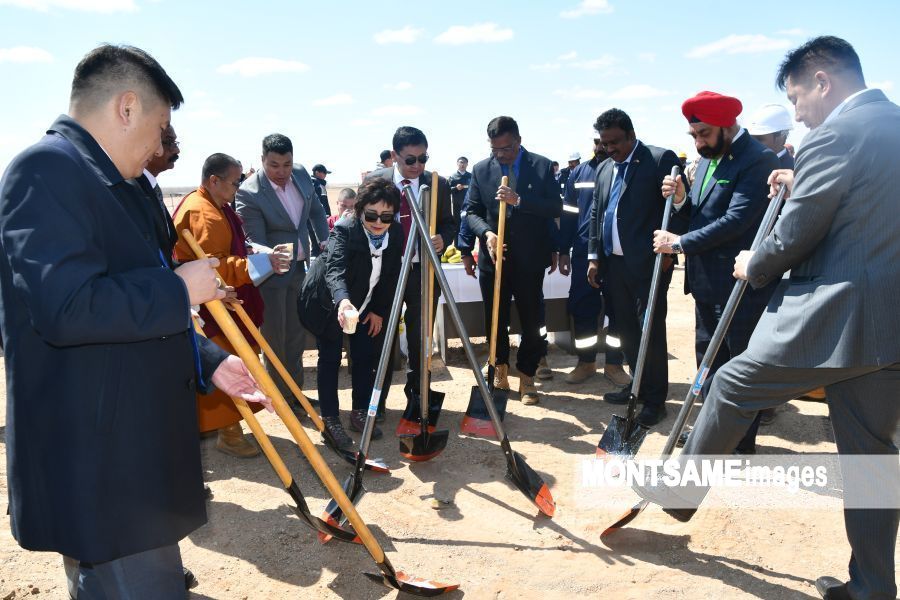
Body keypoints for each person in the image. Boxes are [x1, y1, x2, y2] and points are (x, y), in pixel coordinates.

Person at [0, 43, 269, 598]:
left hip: (129, 451)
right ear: (127, 107)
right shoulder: (46, 171)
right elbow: (66, 307)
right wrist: (177, 287)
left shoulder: (112, 183)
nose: (159, 143)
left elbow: (130, 297)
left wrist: (209, 359)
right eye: (160, 124)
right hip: (102, 461)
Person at [639, 36, 900, 600]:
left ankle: (681, 493)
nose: (798, 110)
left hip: (835, 314)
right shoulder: (894, 125)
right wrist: (798, 179)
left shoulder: (834, 133)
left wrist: (754, 261)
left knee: (732, 383)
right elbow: (866, 204)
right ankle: (873, 587)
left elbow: (800, 232)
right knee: (871, 459)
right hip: (890, 324)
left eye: (796, 95)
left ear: (823, 80)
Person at [655, 91, 779, 451]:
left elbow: (737, 221)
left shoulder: (757, 160)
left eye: (704, 134)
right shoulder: (710, 159)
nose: (698, 142)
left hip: (740, 287)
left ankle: (741, 445)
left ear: (727, 126)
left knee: (740, 368)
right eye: (693, 136)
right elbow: (698, 213)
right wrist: (680, 197)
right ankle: (712, 437)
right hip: (707, 284)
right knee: (708, 364)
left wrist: (679, 244)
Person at [173, 153, 291, 458]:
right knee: (225, 365)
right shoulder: (203, 212)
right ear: (214, 181)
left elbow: (233, 246)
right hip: (213, 307)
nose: (237, 188)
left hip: (226, 300)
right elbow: (215, 266)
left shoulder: (215, 205)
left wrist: (256, 253)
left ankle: (230, 428)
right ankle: (229, 432)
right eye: (235, 182)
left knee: (237, 361)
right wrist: (261, 263)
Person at [586, 108, 680, 427]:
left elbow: (676, 209)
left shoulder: (658, 159)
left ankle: (655, 400)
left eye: (614, 142)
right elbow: (597, 215)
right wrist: (594, 257)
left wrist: (670, 252)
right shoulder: (603, 169)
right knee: (625, 329)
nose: (608, 148)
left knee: (650, 331)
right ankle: (637, 386)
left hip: (650, 264)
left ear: (631, 135)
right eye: (603, 143)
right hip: (614, 265)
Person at [298, 179, 403, 448]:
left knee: (364, 356)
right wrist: (343, 303)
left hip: (366, 304)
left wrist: (378, 309)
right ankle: (331, 420)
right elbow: (335, 270)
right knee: (330, 357)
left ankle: (359, 411)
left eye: (386, 216)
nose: (378, 221)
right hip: (330, 303)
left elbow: (390, 275)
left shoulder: (397, 233)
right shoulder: (345, 230)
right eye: (371, 215)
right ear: (359, 211)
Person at [466, 116, 561, 405]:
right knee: (495, 319)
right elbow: (471, 211)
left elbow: (555, 207)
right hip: (493, 261)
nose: (501, 155)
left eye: (506, 148)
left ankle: (527, 375)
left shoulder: (542, 166)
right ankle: (499, 369)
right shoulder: (481, 170)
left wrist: (520, 201)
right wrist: (487, 233)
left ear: (518, 141)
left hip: (529, 259)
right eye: (495, 149)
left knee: (532, 320)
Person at [364, 126, 455, 419]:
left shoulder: (437, 183)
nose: (417, 166)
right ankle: (375, 404)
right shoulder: (376, 182)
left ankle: (418, 400)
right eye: (410, 160)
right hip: (385, 275)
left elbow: (449, 223)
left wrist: (444, 237)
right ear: (394, 156)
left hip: (422, 273)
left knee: (418, 341)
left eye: (423, 158)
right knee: (381, 339)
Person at [235, 134, 329, 404]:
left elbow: (316, 211)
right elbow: (254, 241)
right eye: (274, 165)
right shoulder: (249, 192)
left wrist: (323, 238)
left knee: (296, 336)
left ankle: (295, 394)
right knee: (276, 339)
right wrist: (272, 256)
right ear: (262, 160)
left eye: (287, 164)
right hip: (271, 275)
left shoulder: (300, 175)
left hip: (300, 268)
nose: (281, 172)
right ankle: (278, 398)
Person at [558, 130, 628, 385]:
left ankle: (614, 364)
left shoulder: (624, 169)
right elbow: (568, 216)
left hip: (615, 253)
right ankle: (586, 362)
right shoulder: (579, 173)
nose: (603, 147)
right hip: (583, 252)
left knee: (618, 309)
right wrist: (564, 249)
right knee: (582, 308)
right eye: (598, 142)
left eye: (607, 142)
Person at [747, 103, 795, 169]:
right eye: (751, 139)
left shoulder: (796, 171)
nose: (753, 144)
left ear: (781, 137)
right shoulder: (746, 165)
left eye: (759, 139)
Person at [308, 163, 333, 257]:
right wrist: (326, 215)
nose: (325, 175)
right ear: (317, 172)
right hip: (318, 217)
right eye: (324, 173)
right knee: (320, 242)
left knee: (316, 241)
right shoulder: (316, 184)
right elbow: (320, 203)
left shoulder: (313, 183)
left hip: (312, 217)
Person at [447, 156, 471, 226]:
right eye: (461, 162)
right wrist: (455, 188)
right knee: (457, 223)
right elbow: (448, 190)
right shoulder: (453, 176)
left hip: (468, 204)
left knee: (468, 222)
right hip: (457, 205)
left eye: (465, 163)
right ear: (457, 163)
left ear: (467, 164)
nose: (463, 164)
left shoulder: (471, 176)